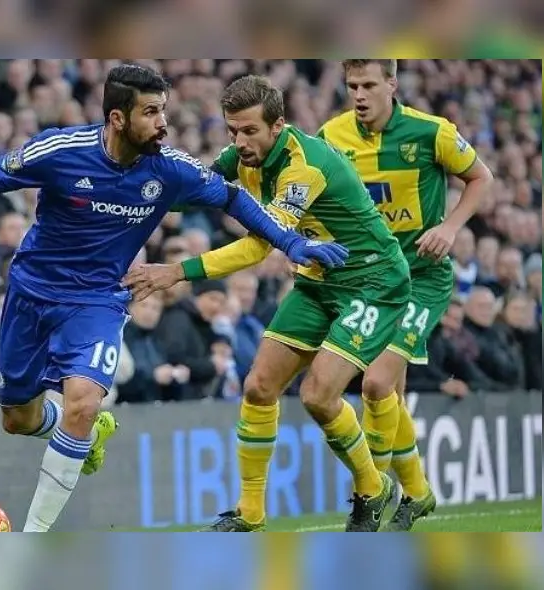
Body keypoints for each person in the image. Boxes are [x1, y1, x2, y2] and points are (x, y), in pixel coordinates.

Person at [0, 64, 348, 532]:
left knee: (84, 403)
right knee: (18, 419)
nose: (163, 123)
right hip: (31, 293)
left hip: (98, 301)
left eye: (164, 110)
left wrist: (292, 243)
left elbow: (233, 199)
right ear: (118, 118)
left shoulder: (171, 168)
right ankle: (77, 427)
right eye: (151, 112)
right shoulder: (60, 150)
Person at [126, 74, 411, 532]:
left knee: (318, 395)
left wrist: (175, 271)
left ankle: (374, 489)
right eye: (232, 131)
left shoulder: (304, 166)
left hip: (372, 281)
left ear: (278, 125)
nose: (239, 142)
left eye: (250, 131)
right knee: (258, 387)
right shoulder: (240, 157)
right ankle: (251, 512)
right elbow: (186, 194)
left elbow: (260, 246)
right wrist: (133, 185)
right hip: (318, 281)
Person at [318, 59, 492, 530]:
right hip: (372, 280)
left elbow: (482, 178)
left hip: (423, 278)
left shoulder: (430, 131)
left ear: (392, 85)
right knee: (388, 392)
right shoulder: (331, 136)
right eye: (352, 85)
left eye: (369, 84)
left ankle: (370, 493)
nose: (359, 94)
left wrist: (451, 226)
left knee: (375, 384)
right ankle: (416, 492)